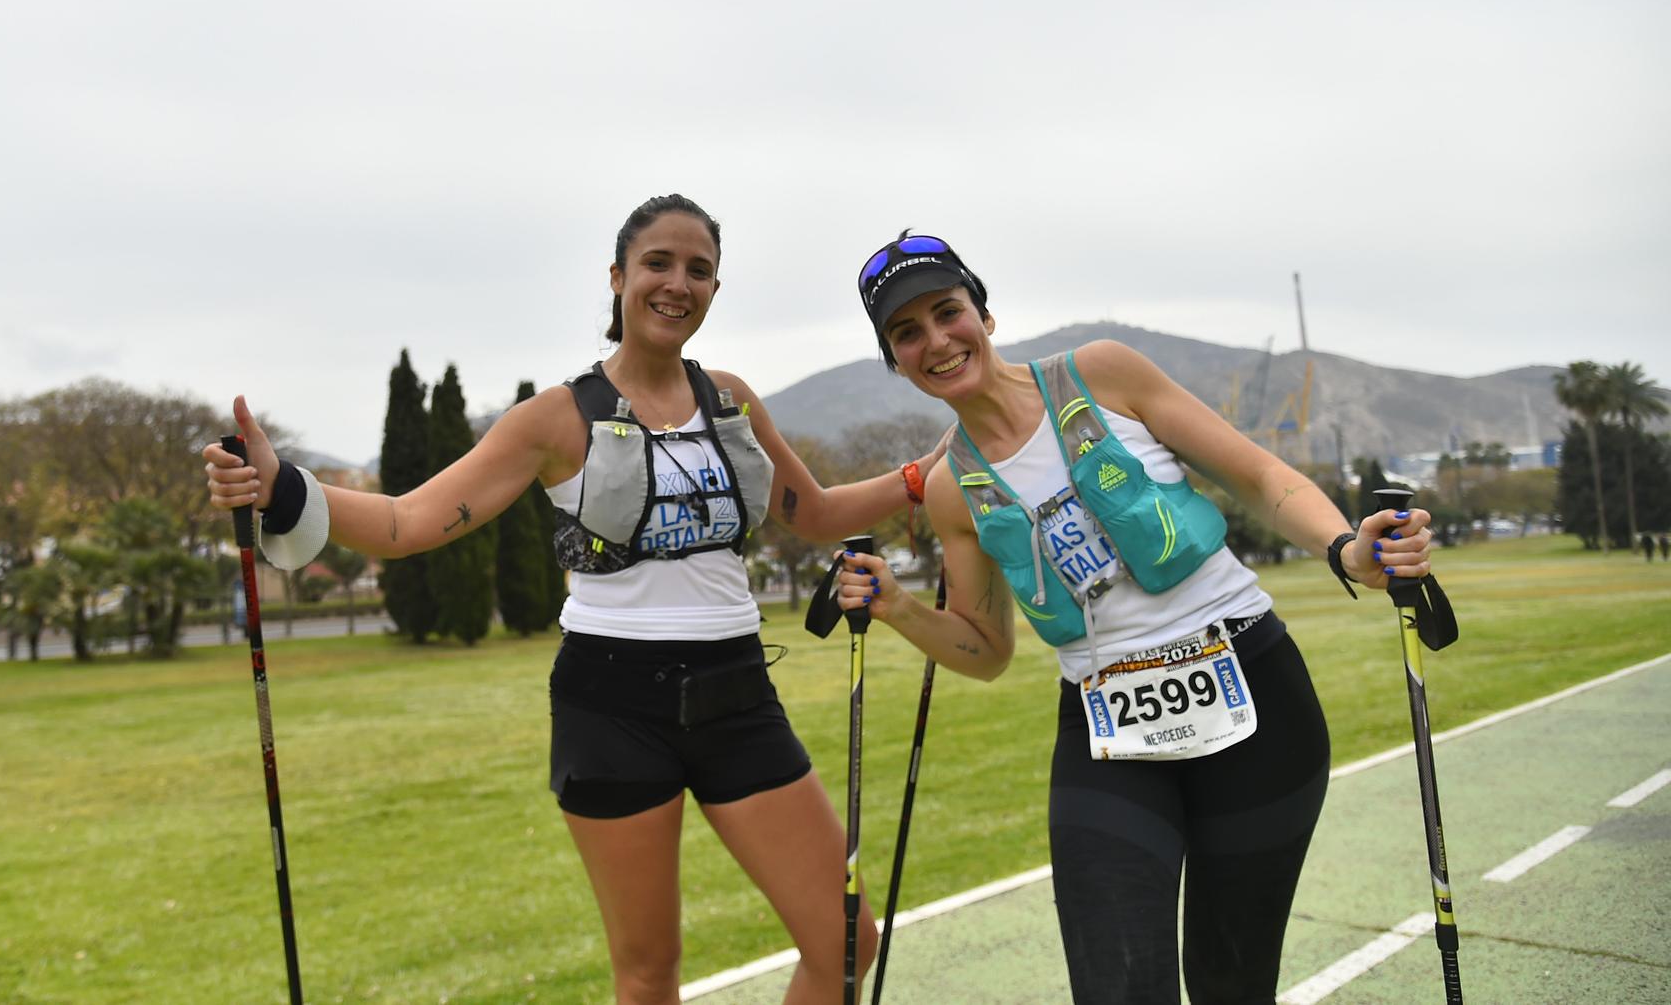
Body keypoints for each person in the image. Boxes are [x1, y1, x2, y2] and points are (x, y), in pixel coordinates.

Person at [204, 194, 945, 1005]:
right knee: (648, 973)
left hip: (739, 695)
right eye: (658, 263)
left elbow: (819, 513)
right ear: (619, 275)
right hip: (612, 703)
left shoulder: (730, 397)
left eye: (699, 270)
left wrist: (920, 476)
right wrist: (283, 489)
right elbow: (405, 520)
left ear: (714, 290)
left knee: (845, 939)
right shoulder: (555, 417)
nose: (677, 283)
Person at [831, 231, 1436, 1005]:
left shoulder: (1103, 373)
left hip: (1253, 689)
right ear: (895, 359)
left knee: (1231, 981)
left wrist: (1347, 548)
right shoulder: (954, 489)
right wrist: (898, 606)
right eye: (906, 333)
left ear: (982, 311)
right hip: (1105, 723)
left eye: (947, 312)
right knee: (1117, 986)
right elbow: (984, 650)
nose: (936, 341)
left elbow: (1256, 471)